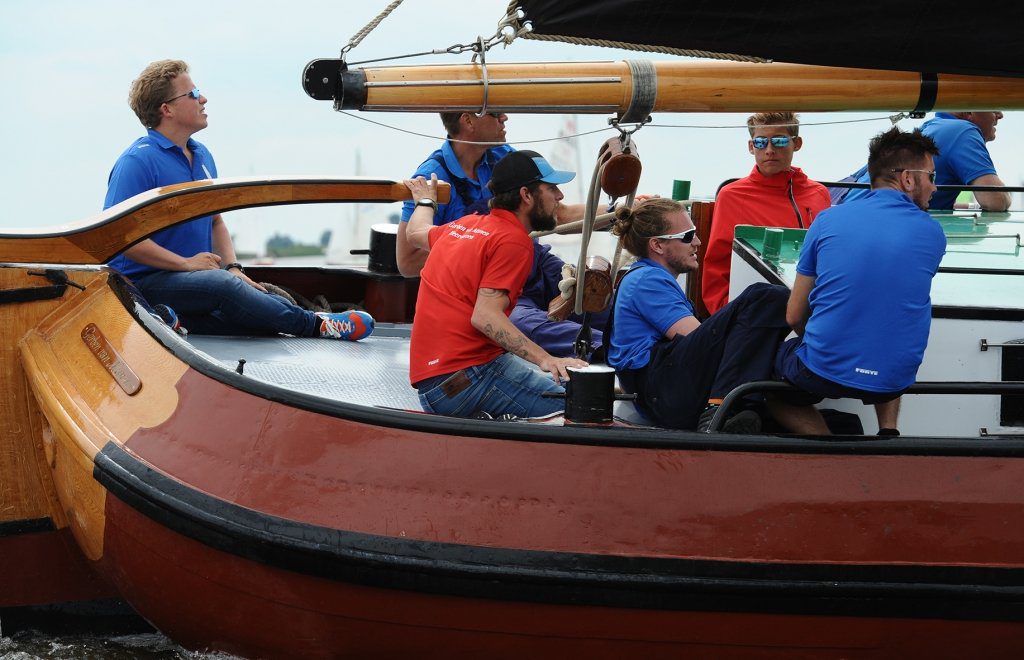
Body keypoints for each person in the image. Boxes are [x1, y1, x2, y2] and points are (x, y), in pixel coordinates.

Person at [105, 60, 372, 340]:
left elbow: (216, 221)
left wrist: (234, 268)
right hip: (145, 284)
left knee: (267, 301)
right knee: (222, 286)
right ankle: (317, 326)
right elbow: (119, 237)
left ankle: (178, 320)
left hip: (195, 280)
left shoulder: (202, 156)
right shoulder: (137, 161)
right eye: (193, 94)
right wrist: (187, 264)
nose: (203, 99)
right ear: (166, 109)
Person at [776, 127, 946, 435]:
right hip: (895, 378)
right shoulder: (934, 233)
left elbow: (793, 315)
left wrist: (816, 343)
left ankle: (828, 448)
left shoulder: (828, 219)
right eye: (931, 177)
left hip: (822, 371)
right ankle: (888, 432)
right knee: (889, 321)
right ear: (908, 178)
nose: (935, 188)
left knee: (767, 380)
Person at [397, 112, 605, 358]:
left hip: (534, 262)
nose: (505, 117)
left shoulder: (503, 156)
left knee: (598, 298)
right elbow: (407, 262)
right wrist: (476, 248)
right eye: (495, 113)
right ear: (468, 121)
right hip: (491, 281)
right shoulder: (433, 176)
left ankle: (634, 342)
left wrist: (619, 212)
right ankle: (610, 349)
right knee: (520, 323)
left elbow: (553, 212)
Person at [404, 151, 588, 419]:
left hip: (437, 384)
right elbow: (484, 316)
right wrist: (546, 359)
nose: (560, 196)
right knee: (582, 410)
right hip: (469, 379)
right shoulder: (513, 241)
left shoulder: (464, 227)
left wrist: (425, 201)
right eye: (551, 188)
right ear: (526, 195)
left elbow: (415, 233)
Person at [608, 198, 817, 433]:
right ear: (657, 245)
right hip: (662, 391)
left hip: (661, 391)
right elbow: (697, 338)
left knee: (842, 421)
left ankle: (737, 407)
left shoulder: (646, 277)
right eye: (687, 236)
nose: (697, 242)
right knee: (764, 297)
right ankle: (720, 408)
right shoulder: (647, 280)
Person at [702, 112, 831, 315]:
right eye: (761, 142)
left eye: (779, 141)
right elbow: (716, 268)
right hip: (753, 317)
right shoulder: (732, 196)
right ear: (751, 147)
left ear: (797, 143)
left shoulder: (818, 194)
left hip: (813, 312)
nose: (769, 150)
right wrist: (729, 319)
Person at [839, 112, 1010, 211]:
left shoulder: (935, 126)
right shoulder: (961, 130)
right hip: (871, 220)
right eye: (993, 104)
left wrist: (962, 208)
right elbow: (995, 200)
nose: (1000, 115)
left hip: (847, 208)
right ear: (970, 111)